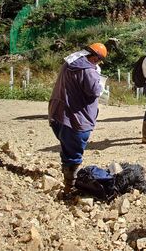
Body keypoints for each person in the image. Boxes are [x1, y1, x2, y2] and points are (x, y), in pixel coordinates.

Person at [48, 43, 107, 197]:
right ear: (95, 58)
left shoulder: (69, 63)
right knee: (73, 155)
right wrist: (99, 80)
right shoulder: (88, 70)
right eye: (99, 61)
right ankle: (70, 187)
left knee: (67, 148)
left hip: (58, 114)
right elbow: (95, 91)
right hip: (76, 119)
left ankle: (68, 177)